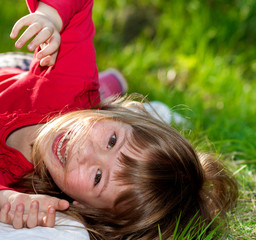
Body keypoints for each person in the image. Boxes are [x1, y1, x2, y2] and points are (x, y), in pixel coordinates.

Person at [0, 0, 238, 239]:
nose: (83, 151)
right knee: (78, 81)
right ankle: (107, 89)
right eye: (112, 140)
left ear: (84, 207)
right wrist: (50, 17)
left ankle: (108, 89)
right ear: (120, 118)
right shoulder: (70, 87)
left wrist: (5, 200)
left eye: (97, 177)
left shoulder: (29, 195)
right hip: (19, 70)